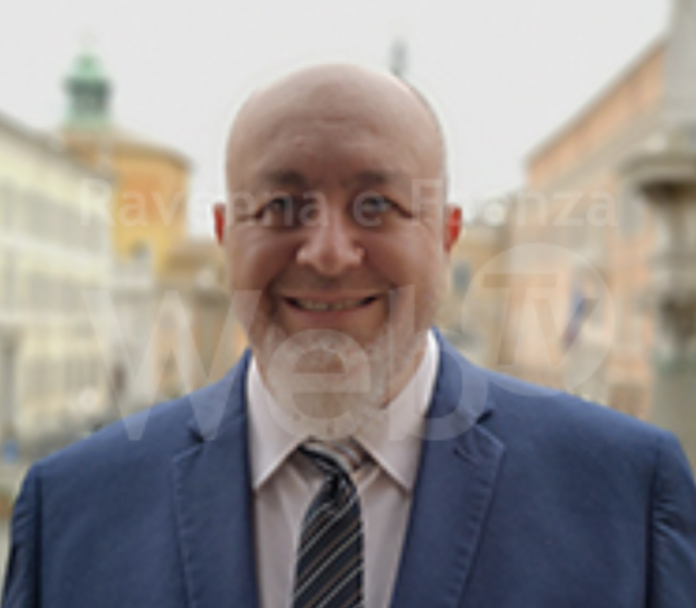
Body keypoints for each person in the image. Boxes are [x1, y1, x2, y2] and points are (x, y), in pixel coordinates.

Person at [3, 63, 696, 608]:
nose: (328, 253)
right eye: (281, 206)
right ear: (224, 236)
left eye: (377, 205)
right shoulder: (72, 512)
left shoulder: (625, 498)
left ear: (446, 237)